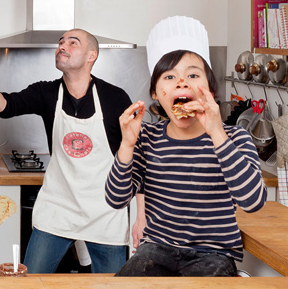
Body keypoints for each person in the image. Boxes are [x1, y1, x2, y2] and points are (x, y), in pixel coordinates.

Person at [0, 29, 135, 273]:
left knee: (111, 287)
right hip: (58, 207)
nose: (62, 46)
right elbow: (7, 106)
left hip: (104, 211)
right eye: (61, 42)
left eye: (73, 43)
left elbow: (135, 159)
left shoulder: (115, 98)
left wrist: (141, 216)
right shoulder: (47, 92)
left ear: (91, 55)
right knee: (32, 281)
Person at [106, 16, 267, 276]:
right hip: (155, 249)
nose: (181, 82)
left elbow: (253, 202)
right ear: (156, 93)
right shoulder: (146, 138)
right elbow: (114, 200)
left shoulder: (235, 137)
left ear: (210, 90)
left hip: (215, 254)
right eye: (169, 76)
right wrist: (126, 145)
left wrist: (216, 132)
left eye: (193, 74)